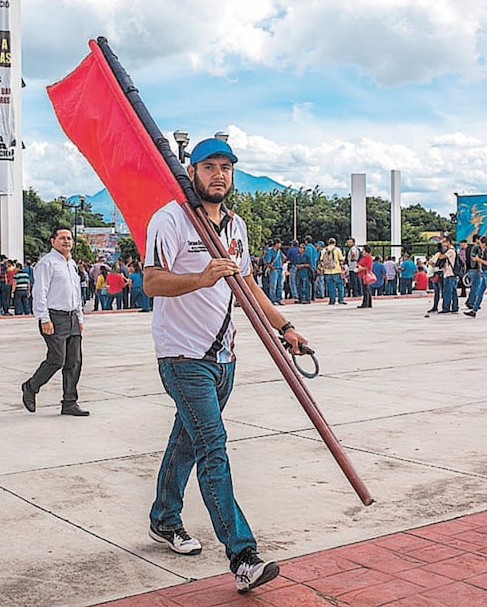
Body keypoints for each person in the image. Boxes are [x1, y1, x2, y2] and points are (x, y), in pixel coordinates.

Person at [143, 137, 308, 594]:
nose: (220, 175)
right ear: (191, 171)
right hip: (181, 356)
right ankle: (243, 556)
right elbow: (152, 281)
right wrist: (201, 276)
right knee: (213, 448)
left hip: (224, 357)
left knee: (188, 443)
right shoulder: (171, 219)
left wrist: (285, 326)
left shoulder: (235, 226)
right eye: (210, 166)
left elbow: (249, 286)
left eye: (227, 168)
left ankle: (163, 517)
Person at [20, 227, 88, 417]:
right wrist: (44, 318)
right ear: (52, 241)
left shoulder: (72, 264)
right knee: (57, 359)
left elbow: (76, 293)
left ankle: (69, 402)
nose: (67, 241)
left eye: (69, 238)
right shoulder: (47, 263)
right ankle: (31, 387)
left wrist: (80, 317)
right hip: (54, 317)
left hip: (72, 317)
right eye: (62, 238)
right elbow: (39, 292)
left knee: (74, 361)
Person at [320, 238, 345, 305]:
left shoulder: (324, 250)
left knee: (330, 287)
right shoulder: (337, 250)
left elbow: (321, 260)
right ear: (335, 243)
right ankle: (340, 299)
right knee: (340, 286)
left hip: (327, 271)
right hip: (336, 270)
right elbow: (341, 259)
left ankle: (332, 300)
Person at [264, 238, 284, 305]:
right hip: (274, 270)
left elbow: (284, 257)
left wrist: (281, 264)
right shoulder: (270, 251)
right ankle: (273, 299)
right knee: (273, 285)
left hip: (280, 269)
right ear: (276, 244)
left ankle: (279, 299)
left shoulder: (279, 251)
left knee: (280, 285)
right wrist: (272, 267)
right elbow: (267, 262)